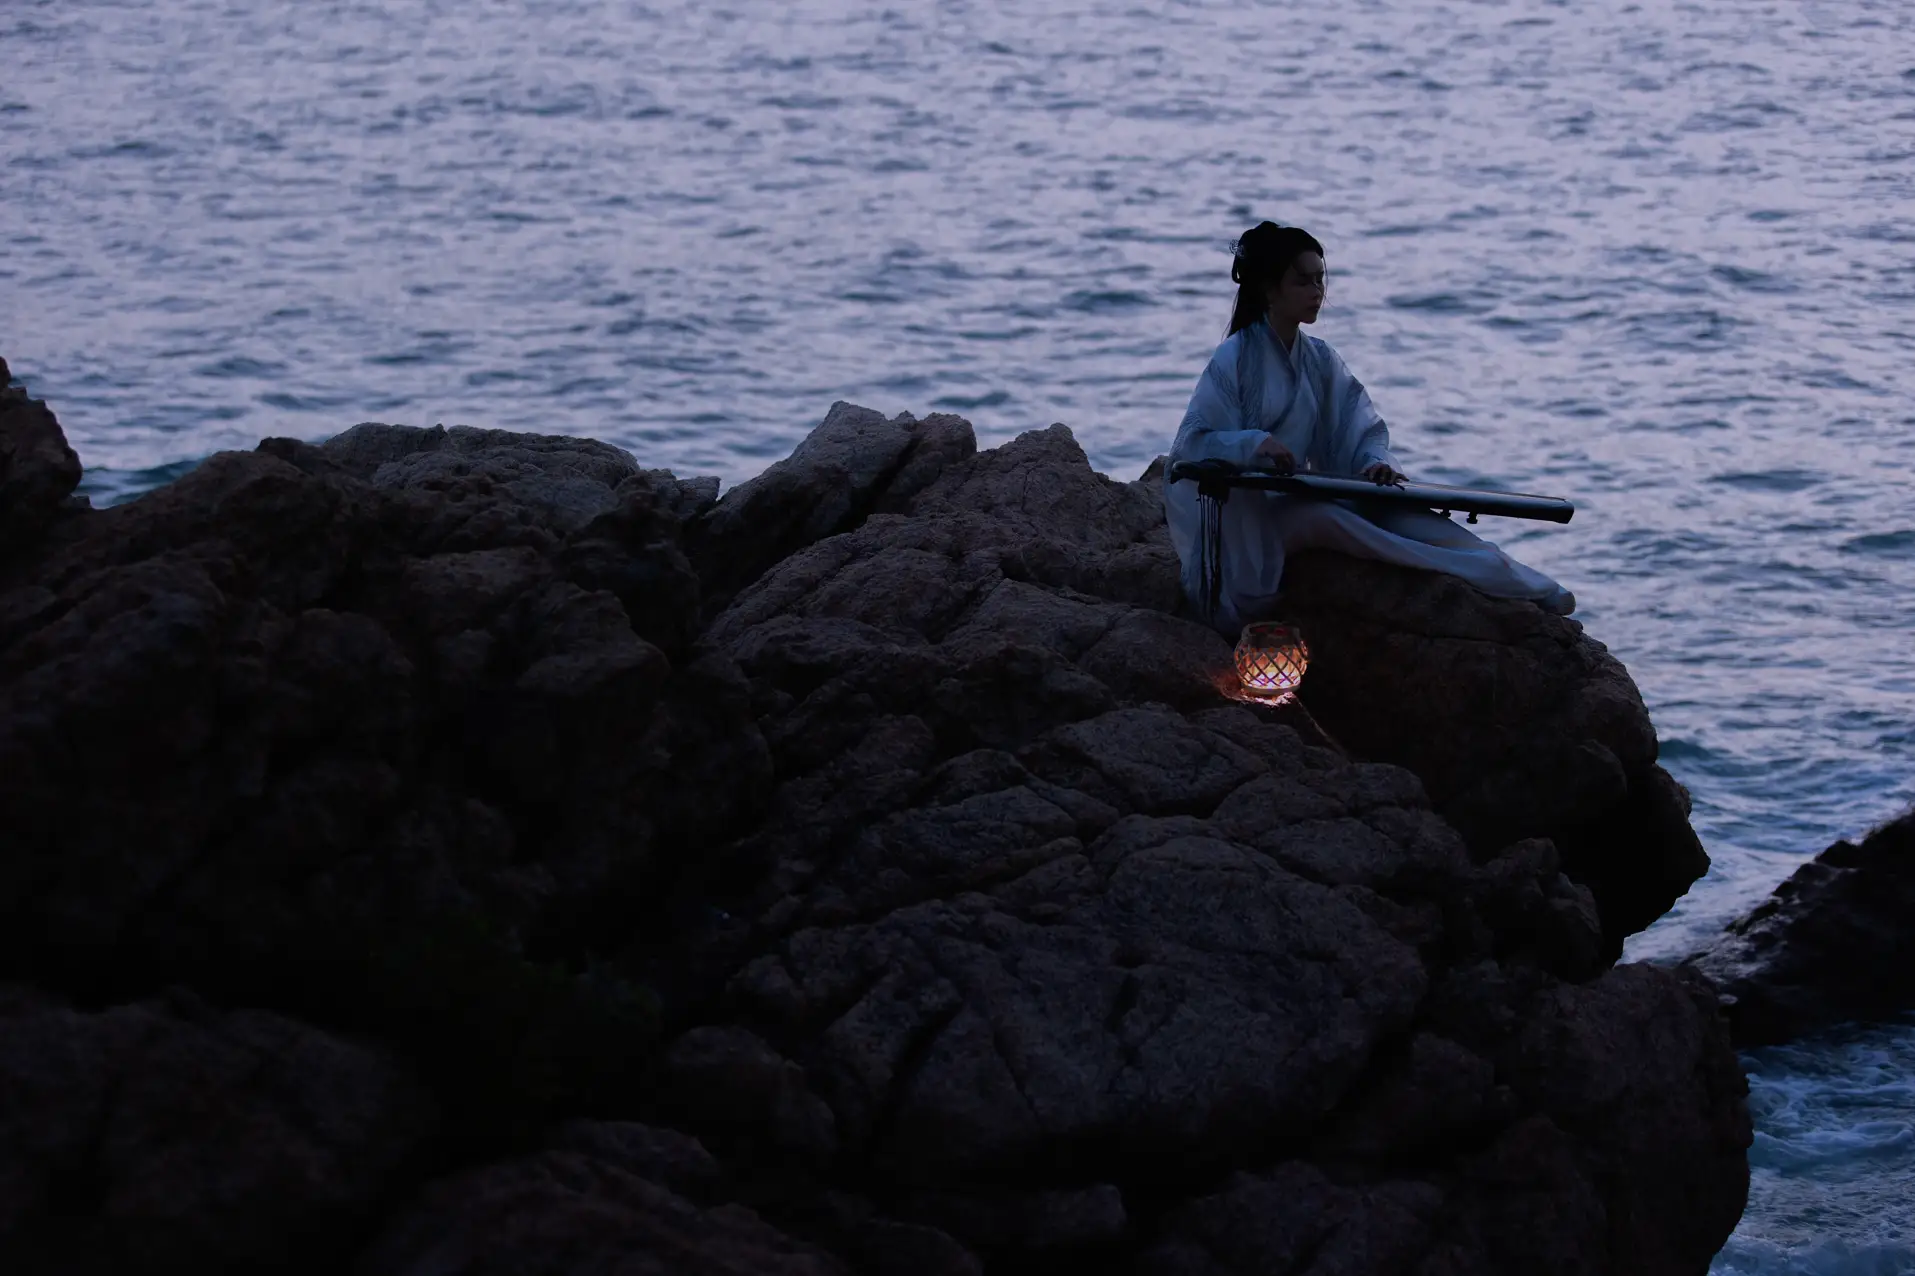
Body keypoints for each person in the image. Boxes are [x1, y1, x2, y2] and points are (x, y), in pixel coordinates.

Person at [1163, 221, 1575, 630]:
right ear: (1270, 290)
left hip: (1299, 495)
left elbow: (1359, 428)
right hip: (1249, 522)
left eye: (1320, 280)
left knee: (1404, 513)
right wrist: (1252, 444)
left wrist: (1374, 461)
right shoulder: (1233, 357)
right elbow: (1192, 445)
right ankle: (1487, 577)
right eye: (1302, 282)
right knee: (1331, 520)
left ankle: (1518, 576)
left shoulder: (1319, 359)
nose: (1316, 291)